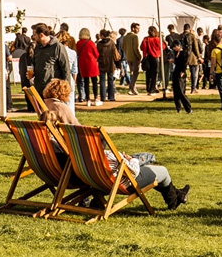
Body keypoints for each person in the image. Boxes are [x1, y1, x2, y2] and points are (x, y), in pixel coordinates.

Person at [39, 79, 189, 209]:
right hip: (112, 178)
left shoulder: (45, 111)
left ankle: (178, 195)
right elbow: (78, 129)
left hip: (85, 173)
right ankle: (175, 199)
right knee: (160, 170)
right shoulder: (61, 109)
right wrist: (131, 160)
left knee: (143, 160)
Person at [167, 26, 193, 114]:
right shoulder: (176, 53)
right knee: (176, 91)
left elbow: (184, 63)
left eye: (175, 47)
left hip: (181, 72)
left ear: (179, 46)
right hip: (176, 71)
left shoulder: (184, 53)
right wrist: (174, 61)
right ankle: (178, 108)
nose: (174, 49)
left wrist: (183, 71)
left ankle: (188, 108)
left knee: (181, 92)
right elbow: (178, 62)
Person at [75, 28, 99, 104]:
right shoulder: (91, 43)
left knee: (86, 82)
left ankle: (87, 99)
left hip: (83, 63)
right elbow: (96, 54)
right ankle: (96, 98)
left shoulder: (78, 43)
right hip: (92, 63)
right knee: (94, 81)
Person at [97, 29, 120, 105]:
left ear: (102, 35)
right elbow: (115, 54)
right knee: (110, 80)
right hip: (111, 63)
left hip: (102, 63)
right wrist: (117, 64)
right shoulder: (112, 43)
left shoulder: (99, 44)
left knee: (102, 81)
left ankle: (103, 96)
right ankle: (111, 96)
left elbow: (97, 54)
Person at [141, 26, 164, 96]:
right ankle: (152, 89)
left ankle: (148, 88)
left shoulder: (146, 39)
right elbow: (163, 47)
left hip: (148, 57)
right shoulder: (158, 39)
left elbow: (142, 47)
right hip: (155, 57)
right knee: (154, 74)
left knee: (148, 74)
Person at [121, 23, 142, 95]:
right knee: (136, 73)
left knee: (132, 73)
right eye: (137, 28)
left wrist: (127, 52)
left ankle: (133, 88)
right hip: (135, 57)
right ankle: (132, 87)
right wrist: (139, 56)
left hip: (128, 57)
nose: (138, 30)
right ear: (133, 28)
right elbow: (136, 48)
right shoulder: (135, 36)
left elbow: (123, 47)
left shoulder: (126, 37)